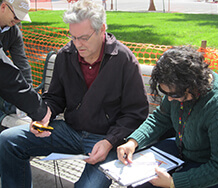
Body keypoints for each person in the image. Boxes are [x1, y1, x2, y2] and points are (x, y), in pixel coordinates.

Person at [0, 0, 149, 187]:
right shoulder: (65, 54)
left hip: (105, 138)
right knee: (8, 141)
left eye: (84, 38)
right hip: (69, 132)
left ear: (102, 29)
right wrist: (43, 119)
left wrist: (110, 141)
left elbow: (136, 112)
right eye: (73, 37)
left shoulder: (124, 59)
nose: (77, 44)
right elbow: (55, 97)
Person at [117, 46, 218, 188]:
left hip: (206, 167)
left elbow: (217, 168)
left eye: (175, 95)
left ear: (193, 85)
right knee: (136, 182)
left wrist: (173, 183)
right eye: (165, 93)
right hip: (180, 150)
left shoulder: (216, 107)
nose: (170, 100)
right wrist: (133, 142)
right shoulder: (176, 86)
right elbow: (160, 118)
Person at [0, 0, 32, 120]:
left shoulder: (13, 32)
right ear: (3, 7)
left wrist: (28, 96)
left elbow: (22, 64)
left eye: (20, 18)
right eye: (16, 16)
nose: (17, 21)